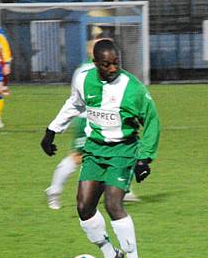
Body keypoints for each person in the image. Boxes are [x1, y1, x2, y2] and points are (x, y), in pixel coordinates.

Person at [40, 39, 160, 258]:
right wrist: (52, 130)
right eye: (106, 64)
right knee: (84, 207)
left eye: (116, 63)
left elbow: (151, 120)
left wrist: (145, 158)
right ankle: (110, 255)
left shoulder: (133, 88)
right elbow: (74, 104)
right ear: (95, 64)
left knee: (113, 204)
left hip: (123, 150)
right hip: (94, 150)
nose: (112, 68)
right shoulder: (84, 79)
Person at [45, 42, 139, 210]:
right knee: (78, 157)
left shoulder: (107, 70)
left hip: (106, 120)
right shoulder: (84, 72)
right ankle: (54, 190)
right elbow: (75, 99)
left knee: (115, 149)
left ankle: (123, 188)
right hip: (87, 119)